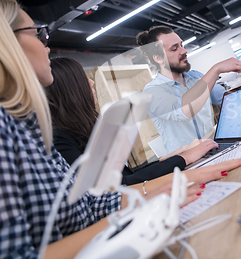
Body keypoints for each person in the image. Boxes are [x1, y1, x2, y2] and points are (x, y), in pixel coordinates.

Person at [0, 0, 241, 258]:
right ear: (0, 43)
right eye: (37, 33)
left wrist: (172, 183)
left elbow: (91, 206)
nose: (46, 44)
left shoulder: (29, 129)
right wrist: (154, 192)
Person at [45, 57, 225, 185]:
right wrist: (182, 158)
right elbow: (120, 185)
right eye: (84, 80)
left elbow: (127, 174)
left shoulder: (83, 129)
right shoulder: (61, 141)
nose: (91, 83)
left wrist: (170, 158)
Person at [137, 25, 241, 153]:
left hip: (215, 149)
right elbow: (185, 111)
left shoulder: (196, 76)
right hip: (190, 162)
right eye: (175, 48)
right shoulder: (152, 92)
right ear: (158, 58)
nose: (183, 51)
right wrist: (216, 69)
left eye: (181, 45)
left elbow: (227, 99)